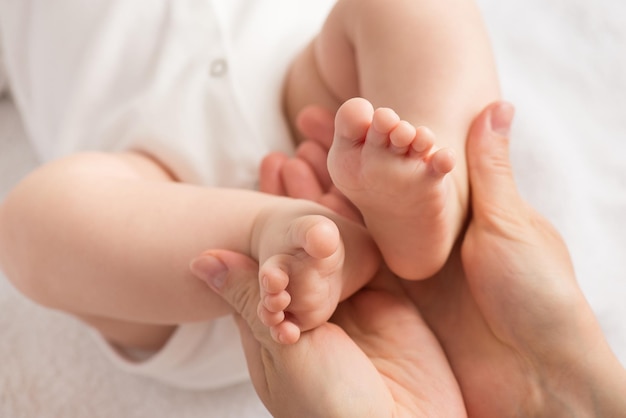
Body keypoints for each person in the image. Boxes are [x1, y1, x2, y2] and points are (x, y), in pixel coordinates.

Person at [0, 0, 496, 390]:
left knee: (407, 8)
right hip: (166, 215)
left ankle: (423, 190)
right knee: (30, 221)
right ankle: (268, 237)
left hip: (317, 98)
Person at [190, 102, 626, 417]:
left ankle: (405, 213)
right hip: (299, 70)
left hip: (168, 181)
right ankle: (431, 211)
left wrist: (264, 228)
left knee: (122, 225)